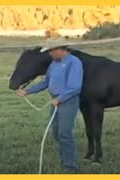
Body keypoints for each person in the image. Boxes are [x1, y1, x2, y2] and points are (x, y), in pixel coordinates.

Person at [17, 38, 84, 173]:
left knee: (65, 133)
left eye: (51, 51)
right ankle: (64, 159)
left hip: (67, 102)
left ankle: (70, 167)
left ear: (60, 49)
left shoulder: (74, 63)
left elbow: (75, 87)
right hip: (56, 101)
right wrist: (27, 91)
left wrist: (60, 98)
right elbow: (45, 82)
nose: (49, 54)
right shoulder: (54, 64)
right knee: (56, 132)